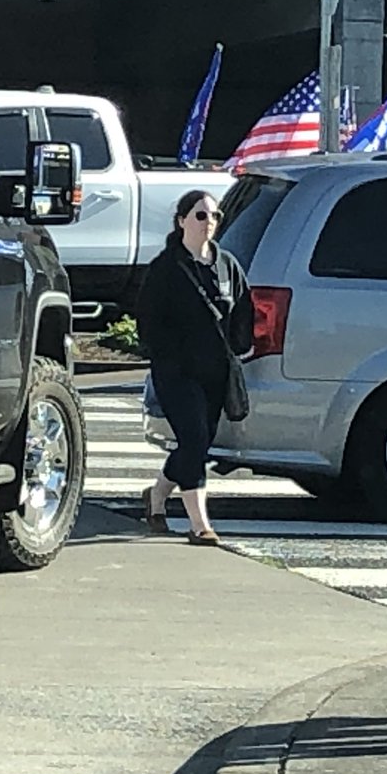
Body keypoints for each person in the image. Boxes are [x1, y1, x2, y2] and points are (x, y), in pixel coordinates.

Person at [135, 190, 253, 546]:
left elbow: (244, 311)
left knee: (195, 446)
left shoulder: (227, 265)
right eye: (200, 216)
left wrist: (241, 348)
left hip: (216, 371)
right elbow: (148, 320)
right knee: (195, 439)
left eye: (214, 216)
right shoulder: (166, 268)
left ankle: (156, 496)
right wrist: (165, 353)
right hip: (177, 371)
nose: (209, 223)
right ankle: (200, 525)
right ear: (182, 220)